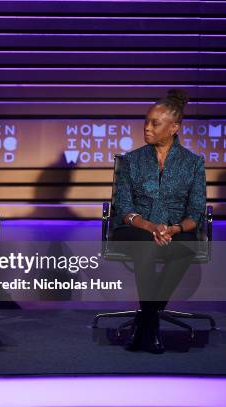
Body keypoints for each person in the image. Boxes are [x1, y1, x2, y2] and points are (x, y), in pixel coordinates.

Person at [113, 89, 206, 354]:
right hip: (136, 229)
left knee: (185, 248)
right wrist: (151, 226)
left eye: (155, 123)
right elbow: (123, 207)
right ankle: (152, 324)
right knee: (147, 245)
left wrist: (174, 229)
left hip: (176, 230)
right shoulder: (132, 161)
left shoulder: (193, 163)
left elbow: (196, 210)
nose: (147, 128)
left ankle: (145, 320)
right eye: (146, 122)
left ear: (174, 127)